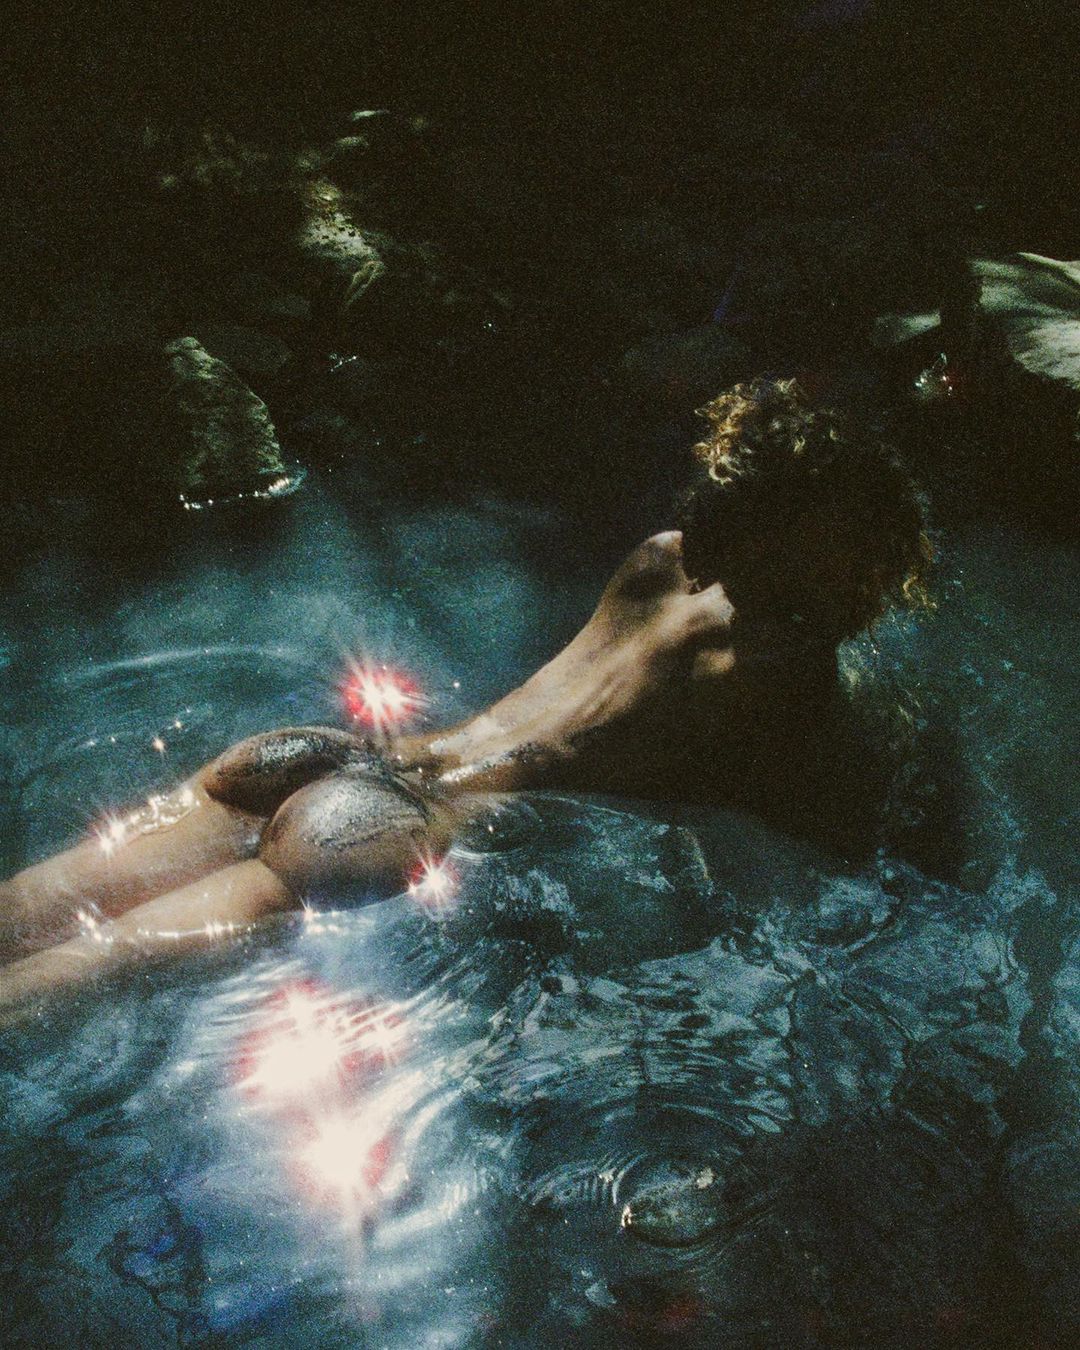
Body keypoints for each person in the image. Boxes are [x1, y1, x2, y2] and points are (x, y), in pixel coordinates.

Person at [0, 379, 931, 1020]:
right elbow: (826, 848)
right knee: (82, 971)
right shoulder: (784, 671)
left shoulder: (659, 559)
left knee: (34, 911)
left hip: (331, 755)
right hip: (389, 824)